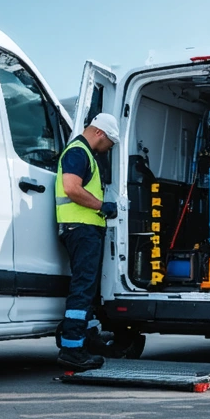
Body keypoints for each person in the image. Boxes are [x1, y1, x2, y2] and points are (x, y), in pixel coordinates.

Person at [54, 113, 120, 371]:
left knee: (87, 287)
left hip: (84, 229)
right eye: (110, 143)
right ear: (100, 133)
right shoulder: (78, 151)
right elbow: (71, 188)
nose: (109, 149)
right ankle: (71, 348)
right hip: (81, 229)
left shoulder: (84, 153)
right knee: (82, 287)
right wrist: (102, 206)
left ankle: (86, 340)